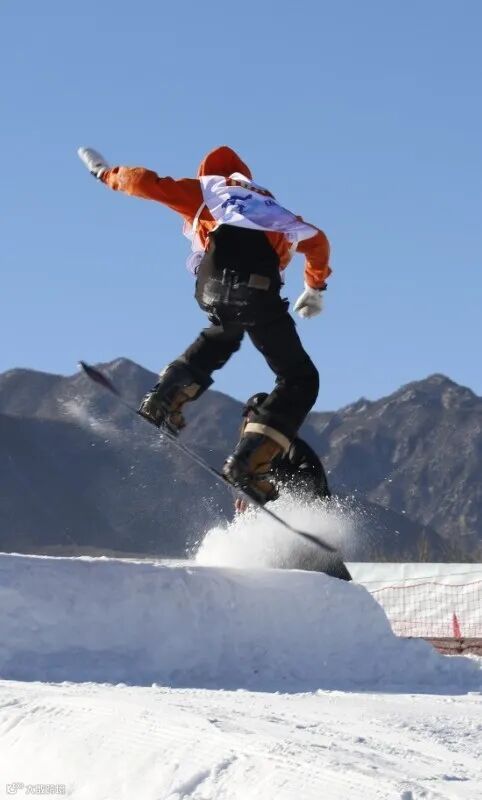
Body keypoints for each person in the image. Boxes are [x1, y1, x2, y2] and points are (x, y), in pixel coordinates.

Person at [78, 145, 331, 502]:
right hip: (258, 287)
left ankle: (165, 396)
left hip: (212, 282)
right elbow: (317, 241)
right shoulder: (273, 208)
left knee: (223, 332)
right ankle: (249, 462)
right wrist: (315, 287)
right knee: (299, 378)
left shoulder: (206, 188)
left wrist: (106, 174)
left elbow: (143, 181)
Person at [234, 392, 331, 512]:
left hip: (311, 511)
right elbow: (238, 478)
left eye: (261, 420)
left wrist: (270, 486)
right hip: (269, 514)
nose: (257, 426)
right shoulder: (246, 454)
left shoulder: (293, 447)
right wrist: (244, 492)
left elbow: (312, 480)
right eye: (251, 418)